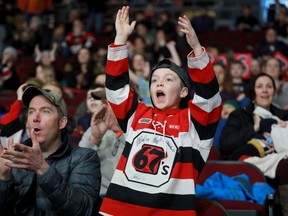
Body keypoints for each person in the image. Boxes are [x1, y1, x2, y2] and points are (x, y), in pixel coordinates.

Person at [99, 6, 221, 215]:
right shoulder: (138, 114)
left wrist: (197, 49)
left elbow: (209, 97)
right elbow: (116, 90)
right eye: (154, 80)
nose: (159, 84)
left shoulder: (193, 124)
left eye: (168, 79)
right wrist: (120, 40)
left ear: (184, 92)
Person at [0, 85, 101, 216]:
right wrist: (4, 178)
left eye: (45, 111)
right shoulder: (15, 158)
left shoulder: (85, 157)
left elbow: (82, 210)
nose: (35, 117)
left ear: (62, 123)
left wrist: (42, 168)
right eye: (31, 111)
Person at [220, 73, 288, 215]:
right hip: (247, 164)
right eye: (260, 87)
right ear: (252, 93)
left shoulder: (283, 117)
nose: (264, 90)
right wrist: (255, 128)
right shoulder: (239, 115)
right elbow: (226, 144)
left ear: (273, 92)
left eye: (269, 87)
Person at [79, 87, 125, 198]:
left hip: (128, 196)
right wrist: (95, 138)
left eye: (109, 102)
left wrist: (119, 130)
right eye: (104, 102)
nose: (105, 106)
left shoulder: (139, 130)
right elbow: (79, 163)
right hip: (99, 195)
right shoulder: (93, 129)